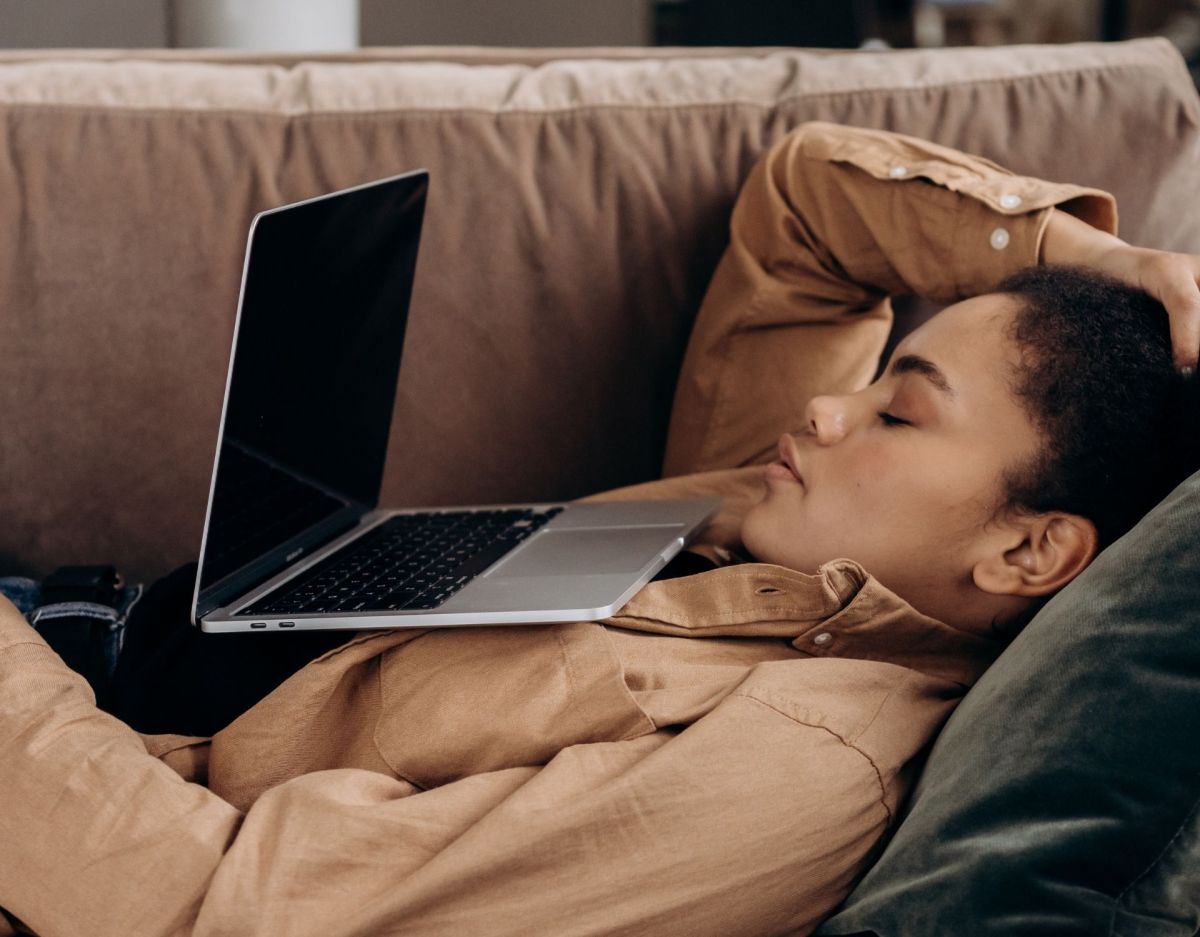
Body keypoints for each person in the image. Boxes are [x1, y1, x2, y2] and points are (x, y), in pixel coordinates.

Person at [1, 121, 1198, 937]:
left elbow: (213, 907)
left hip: (56, 771)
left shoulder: (791, 775)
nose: (830, 407)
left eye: (898, 408)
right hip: (77, 637)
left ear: (1030, 550)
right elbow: (805, 214)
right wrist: (1084, 254)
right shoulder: (783, 518)